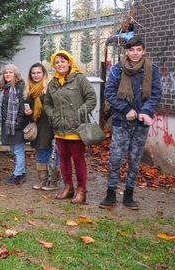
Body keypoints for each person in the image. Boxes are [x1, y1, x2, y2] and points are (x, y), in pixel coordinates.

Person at [100, 36, 162, 209]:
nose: (135, 53)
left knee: (135, 159)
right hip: (121, 121)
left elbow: (156, 94)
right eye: (132, 50)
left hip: (142, 122)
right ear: (126, 51)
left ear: (143, 51)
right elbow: (110, 92)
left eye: (138, 50)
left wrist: (145, 111)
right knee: (116, 158)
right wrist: (126, 109)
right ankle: (110, 194)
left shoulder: (152, 69)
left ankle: (129, 195)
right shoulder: (117, 70)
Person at [44, 50, 96, 204]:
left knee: (78, 159)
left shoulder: (79, 79)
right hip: (59, 129)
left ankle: (81, 190)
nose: (60, 64)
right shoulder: (53, 83)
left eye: (63, 61)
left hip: (76, 128)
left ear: (69, 62)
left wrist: (80, 112)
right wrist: (52, 114)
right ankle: (68, 187)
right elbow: (47, 103)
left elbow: (91, 98)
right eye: (57, 62)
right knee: (64, 159)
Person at [24, 63, 57, 190]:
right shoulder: (29, 89)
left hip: (50, 124)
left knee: (54, 153)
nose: (36, 75)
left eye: (38, 72)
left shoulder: (50, 87)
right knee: (41, 152)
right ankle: (42, 180)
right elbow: (28, 106)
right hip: (38, 125)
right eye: (33, 73)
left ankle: (53, 182)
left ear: (43, 73)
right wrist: (27, 112)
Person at [0, 64, 28, 185]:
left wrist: (18, 122)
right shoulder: (4, 87)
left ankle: (18, 174)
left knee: (18, 149)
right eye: (5, 72)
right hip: (7, 124)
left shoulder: (20, 86)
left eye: (10, 72)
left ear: (15, 74)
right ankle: (22, 172)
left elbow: (22, 106)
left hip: (17, 124)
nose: (7, 74)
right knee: (14, 149)